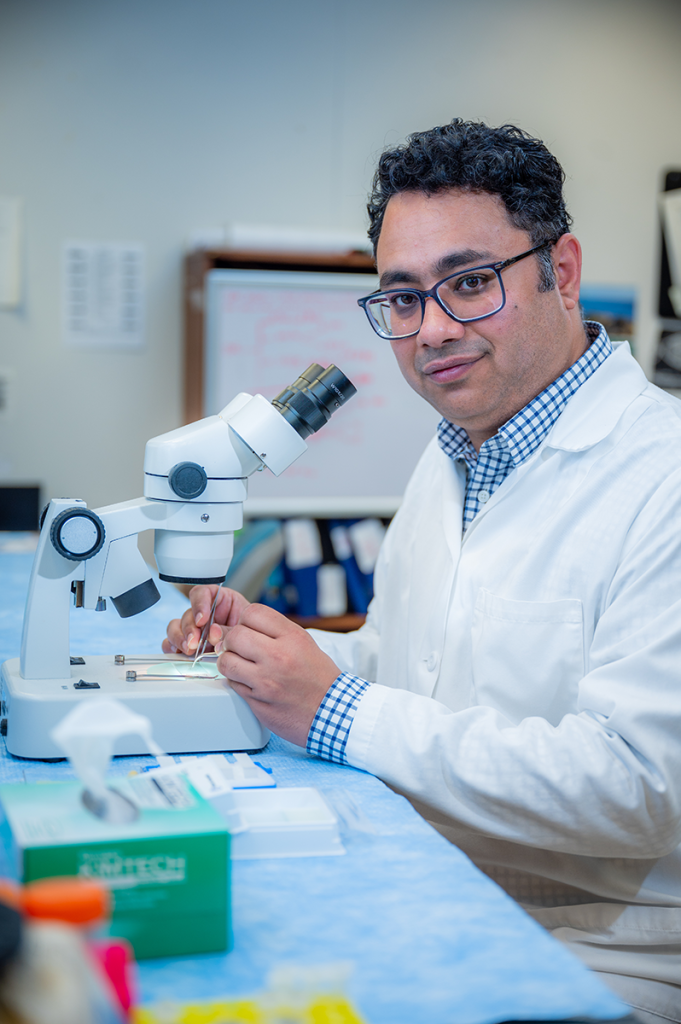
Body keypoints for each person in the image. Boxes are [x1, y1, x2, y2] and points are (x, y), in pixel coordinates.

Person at [165, 120, 681, 1022]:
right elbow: (414, 665)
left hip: (600, 948)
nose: (432, 329)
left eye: (470, 283)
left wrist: (334, 707)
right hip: (427, 880)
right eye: (401, 298)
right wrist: (268, 656)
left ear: (560, 270)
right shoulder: (455, 454)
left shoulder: (661, 475)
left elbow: (639, 787)